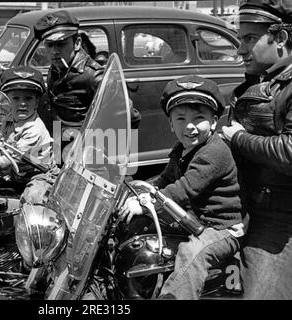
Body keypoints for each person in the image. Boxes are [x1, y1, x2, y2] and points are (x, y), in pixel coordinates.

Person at [120, 75, 247, 300]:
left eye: (199, 118)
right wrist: (135, 190)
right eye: (180, 118)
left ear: (214, 121)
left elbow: (185, 188)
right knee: (138, 228)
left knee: (193, 253)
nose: (189, 126)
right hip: (194, 220)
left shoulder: (214, 152)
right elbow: (164, 180)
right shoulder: (181, 150)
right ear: (170, 123)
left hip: (222, 228)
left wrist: (148, 201)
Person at [222, 0, 292, 299]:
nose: (239, 49)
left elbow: (289, 153)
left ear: (281, 39)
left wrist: (239, 139)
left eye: (249, 38)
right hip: (242, 206)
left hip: (279, 216)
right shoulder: (257, 82)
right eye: (240, 39)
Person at [33, 10, 140, 160]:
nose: (55, 51)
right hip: (62, 154)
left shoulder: (94, 76)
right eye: (49, 45)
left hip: (89, 159)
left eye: (61, 44)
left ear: (77, 43)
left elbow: (130, 118)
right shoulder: (56, 70)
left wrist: (100, 151)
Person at [0, 65, 55, 196]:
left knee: (31, 199)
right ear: (6, 101)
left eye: (28, 98)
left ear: (37, 102)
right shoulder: (9, 119)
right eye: (16, 98)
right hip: (17, 173)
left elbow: (14, 156)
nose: (22, 103)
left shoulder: (34, 129)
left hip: (38, 174)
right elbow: (0, 146)